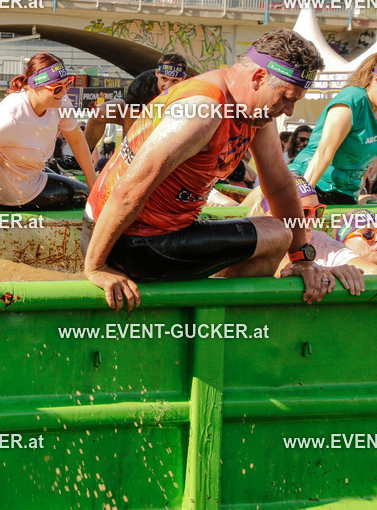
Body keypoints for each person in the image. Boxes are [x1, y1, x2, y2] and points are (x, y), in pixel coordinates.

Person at [83, 29, 343, 311]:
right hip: (124, 242)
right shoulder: (203, 112)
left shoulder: (255, 113)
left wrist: (303, 257)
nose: (289, 111)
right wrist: (96, 267)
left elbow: (280, 185)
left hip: (141, 232)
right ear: (258, 78)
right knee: (277, 233)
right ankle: (227, 326)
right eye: (287, 97)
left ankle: (220, 319)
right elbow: (130, 189)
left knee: (283, 233)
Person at [0, 53, 96, 214]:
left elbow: (77, 141)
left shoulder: (60, 102)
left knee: (90, 192)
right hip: (14, 194)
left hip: (28, 174)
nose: (63, 93)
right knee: (84, 196)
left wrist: (94, 186)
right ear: (35, 86)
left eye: (67, 85)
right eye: (57, 88)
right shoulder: (11, 116)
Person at [288, 54, 377, 205]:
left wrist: (361, 194)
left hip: (343, 194)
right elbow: (324, 153)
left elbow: (364, 163)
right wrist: (301, 199)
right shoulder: (353, 98)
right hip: (313, 182)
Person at [244, 179, 375, 277]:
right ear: (272, 215)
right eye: (304, 212)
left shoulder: (318, 239)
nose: (312, 220)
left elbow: (371, 271)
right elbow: (276, 267)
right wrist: (327, 272)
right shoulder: (256, 239)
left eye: (317, 211)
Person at [84, 54, 189, 150]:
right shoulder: (142, 82)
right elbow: (129, 122)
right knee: (101, 112)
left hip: (167, 122)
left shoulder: (191, 90)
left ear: (184, 78)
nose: (168, 86)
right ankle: (84, 155)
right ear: (157, 73)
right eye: (164, 79)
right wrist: (125, 152)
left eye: (174, 81)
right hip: (140, 116)